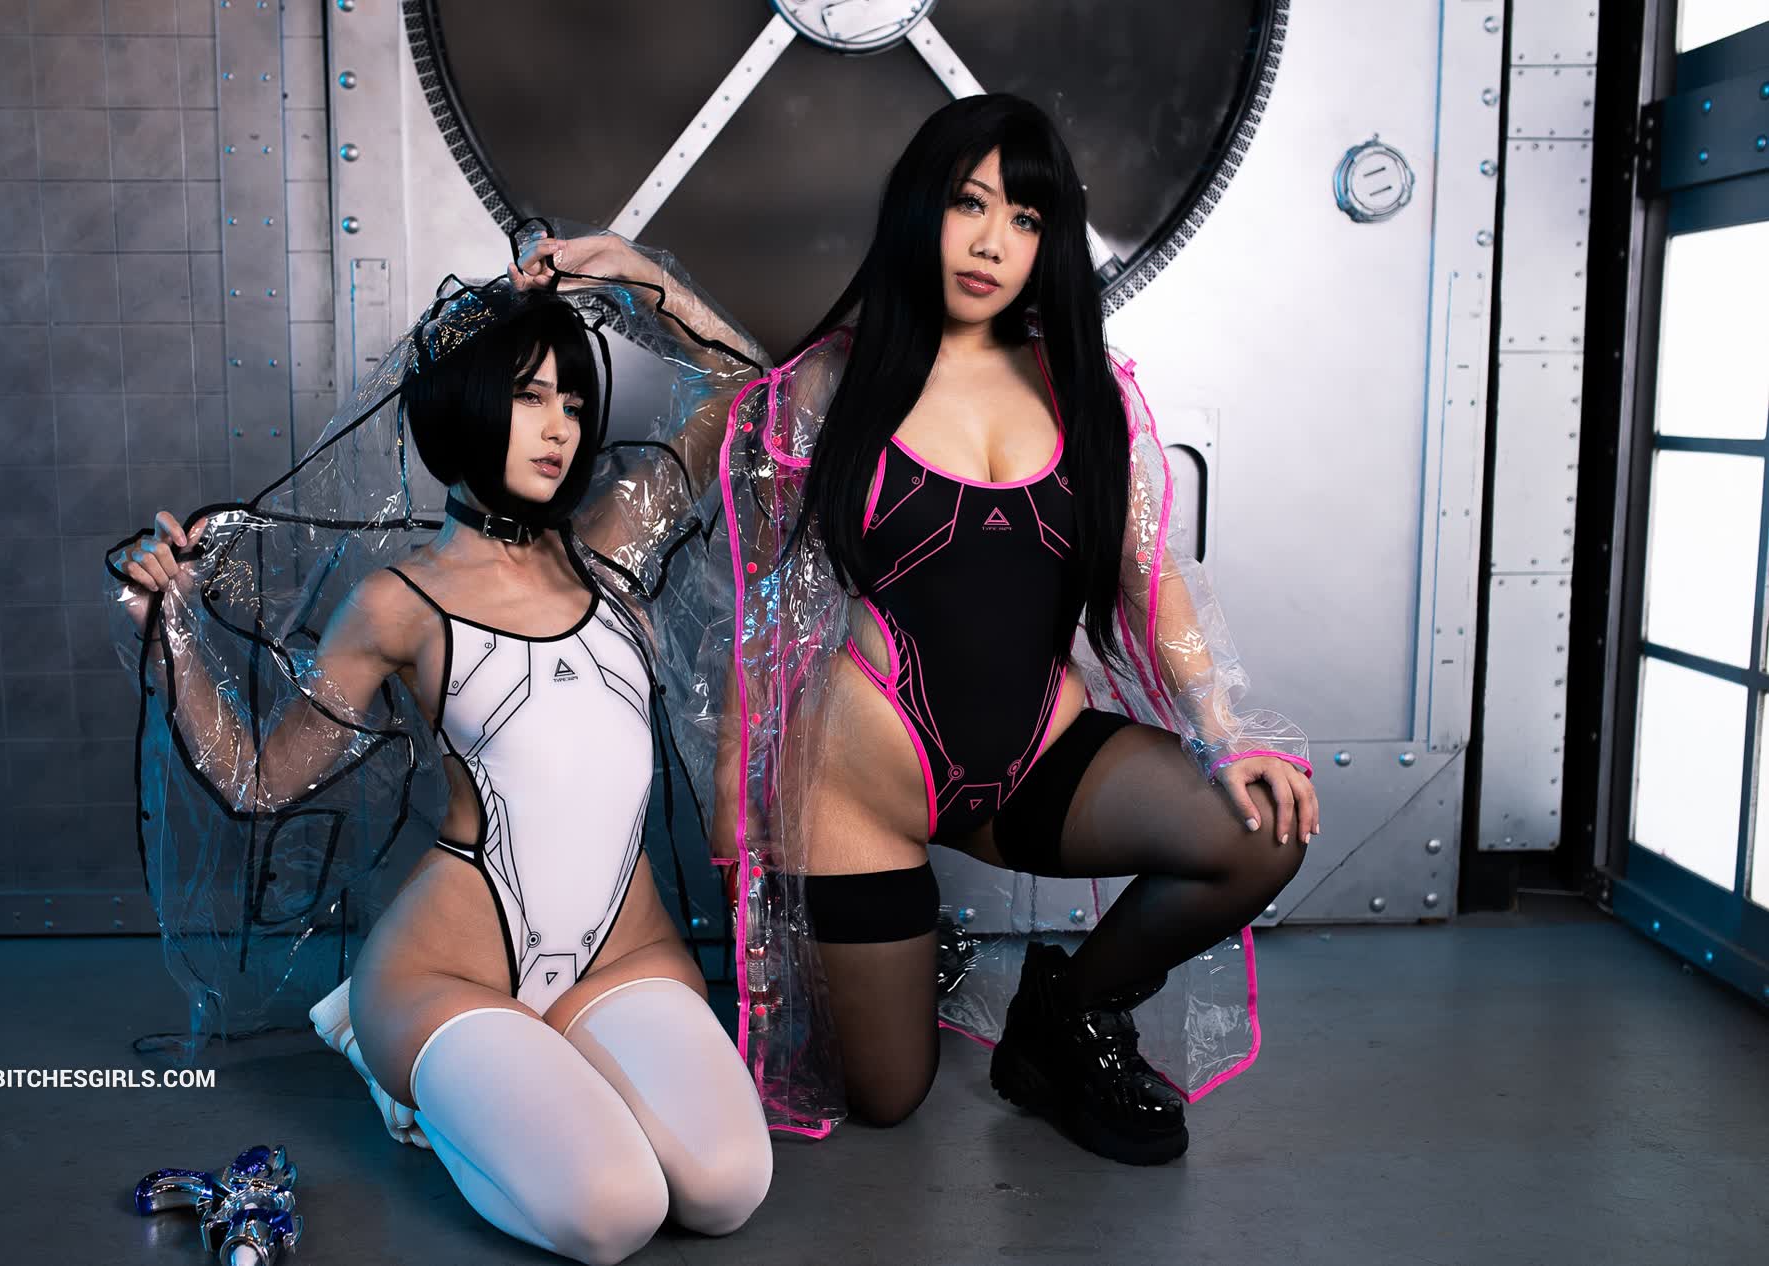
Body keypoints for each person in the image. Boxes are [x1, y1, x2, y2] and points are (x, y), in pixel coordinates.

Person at [703, 93, 1320, 1164]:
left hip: (1039, 755)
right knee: (888, 1096)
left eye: (1025, 218)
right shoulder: (827, 387)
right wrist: (735, 811)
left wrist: (1228, 732)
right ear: (920, 210)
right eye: (969, 204)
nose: (993, 242)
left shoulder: (1082, 389)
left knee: (1259, 831)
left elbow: (1146, 581)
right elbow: (763, 620)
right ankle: (913, 947)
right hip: (863, 783)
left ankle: (1064, 1015)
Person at [109, 268, 770, 1265]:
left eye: (573, 402)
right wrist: (172, 630)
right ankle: (395, 1066)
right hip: (451, 972)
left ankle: (535, 1069)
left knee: (725, 1191)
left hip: (622, 957)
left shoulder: (611, 550)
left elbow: (745, 393)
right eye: (527, 397)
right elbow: (259, 778)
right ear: (463, 407)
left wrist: (635, 277)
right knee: (615, 1217)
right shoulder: (399, 602)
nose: (558, 428)